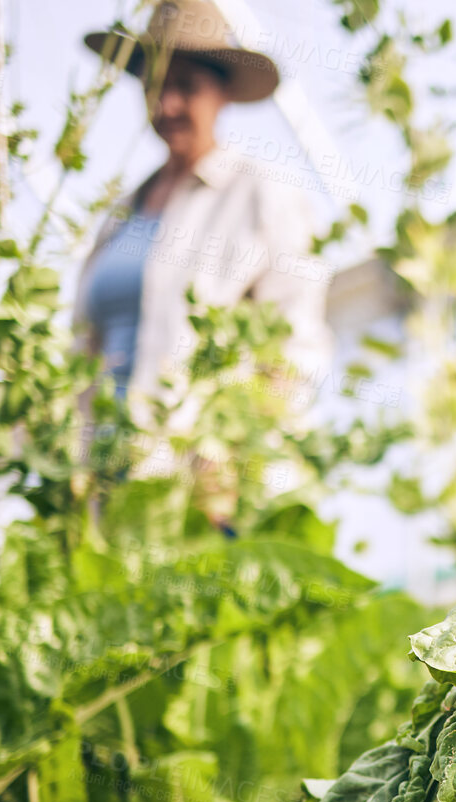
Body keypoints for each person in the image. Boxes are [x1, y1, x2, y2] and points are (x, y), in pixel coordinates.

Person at [74, 0, 331, 487]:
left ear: (224, 93)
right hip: (103, 481)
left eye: (185, 86)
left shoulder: (262, 193)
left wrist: (235, 456)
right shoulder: (120, 215)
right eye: (155, 86)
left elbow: (296, 346)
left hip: (199, 486)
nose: (166, 104)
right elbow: (84, 346)